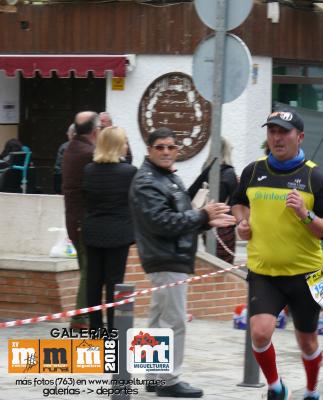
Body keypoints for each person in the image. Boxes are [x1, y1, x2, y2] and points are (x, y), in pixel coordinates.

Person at [231, 110, 323, 400]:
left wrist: (305, 215)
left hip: (305, 274)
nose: (277, 138)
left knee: (307, 342)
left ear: (299, 137)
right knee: (260, 332)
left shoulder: (314, 176)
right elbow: (239, 203)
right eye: (272, 132)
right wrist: (242, 223)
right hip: (264, 271)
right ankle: (275, 387)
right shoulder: (252, 171)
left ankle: (312, 391)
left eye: (284, 132)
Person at [130, 127, 235, 398]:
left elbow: (181, 218)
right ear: (149, 150)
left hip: (171, 256)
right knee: (173, 322)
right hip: (165, 258)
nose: (166, 152)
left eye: (171, 147)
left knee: (158, 319)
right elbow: (162, 222)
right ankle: (167, 380)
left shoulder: (167, 178)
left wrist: (205, 220)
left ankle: (154, 377)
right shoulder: (147, 181)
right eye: (160, 147)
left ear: (177, 150)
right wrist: (202, 215)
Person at [82, 126, 137, 331]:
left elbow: (86, 198)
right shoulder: (129, 172)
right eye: (123, 142)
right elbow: (133, 202)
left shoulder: (89, 170)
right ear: (117, 145)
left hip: (93, 231)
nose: (126, 145)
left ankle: (95, 328)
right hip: (118, 234)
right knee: (115, 282)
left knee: (93, 283)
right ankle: (114, 327)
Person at [62, 111, 101, 330]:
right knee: (89, 270)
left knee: (86, 268)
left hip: (73, 219)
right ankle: (79, 318)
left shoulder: (71, 148)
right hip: (84, 220)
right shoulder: (89, 153)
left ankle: (85, 314)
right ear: (96, 131)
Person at [188, 138, 238, 264]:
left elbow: (192, 192)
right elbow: (235, 199)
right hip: (224, 224)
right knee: (224, 266)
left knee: (211, 262)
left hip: (207, 221)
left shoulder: (206, 169)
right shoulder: (229, 173)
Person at [54, 124, 75, 194]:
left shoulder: (64, 147)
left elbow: (58, 168)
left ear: (72, 134)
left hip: (65, 182)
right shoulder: (88, 146)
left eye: (68, 132)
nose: (67, 134)